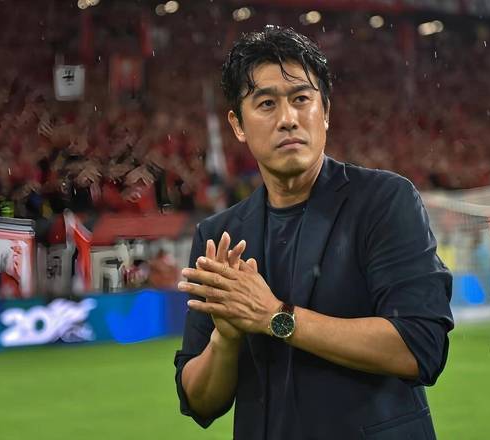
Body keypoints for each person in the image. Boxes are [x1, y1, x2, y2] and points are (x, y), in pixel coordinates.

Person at [174, 26, 454, 440]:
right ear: (238, 124)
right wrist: (226, 340)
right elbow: (199, 402)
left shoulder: (383, 201)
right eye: (266, 103)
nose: (288, 119)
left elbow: (421, 346)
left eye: (301, 99)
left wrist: (275, 316)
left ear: (325, 111)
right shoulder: (220, 236)